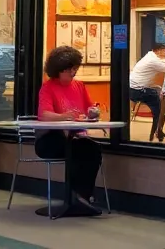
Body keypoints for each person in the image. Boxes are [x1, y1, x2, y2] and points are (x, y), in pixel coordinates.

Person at [37, 45, 102, 214]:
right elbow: (44, 115)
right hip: (50, 139)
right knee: (80, 150)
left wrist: (93, 112)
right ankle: (75, 197)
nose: (73, 73)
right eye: (69, 69)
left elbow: (89, 109)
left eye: (74, 69)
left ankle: (83, 197)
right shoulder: (48, 87)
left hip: (76, 137)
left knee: (93, 149)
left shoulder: (79, 86)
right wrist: (64, 116)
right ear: (58, 69)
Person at [129, 42, 165, 141]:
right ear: (158, 50)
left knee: (159, 90)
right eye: (164, 50)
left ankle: (159, 129)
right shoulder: (153, 60)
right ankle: (155, 132)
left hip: (133, 88)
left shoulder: (150, 56)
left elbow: (163, 62)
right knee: (158, 106)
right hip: (138, 90)